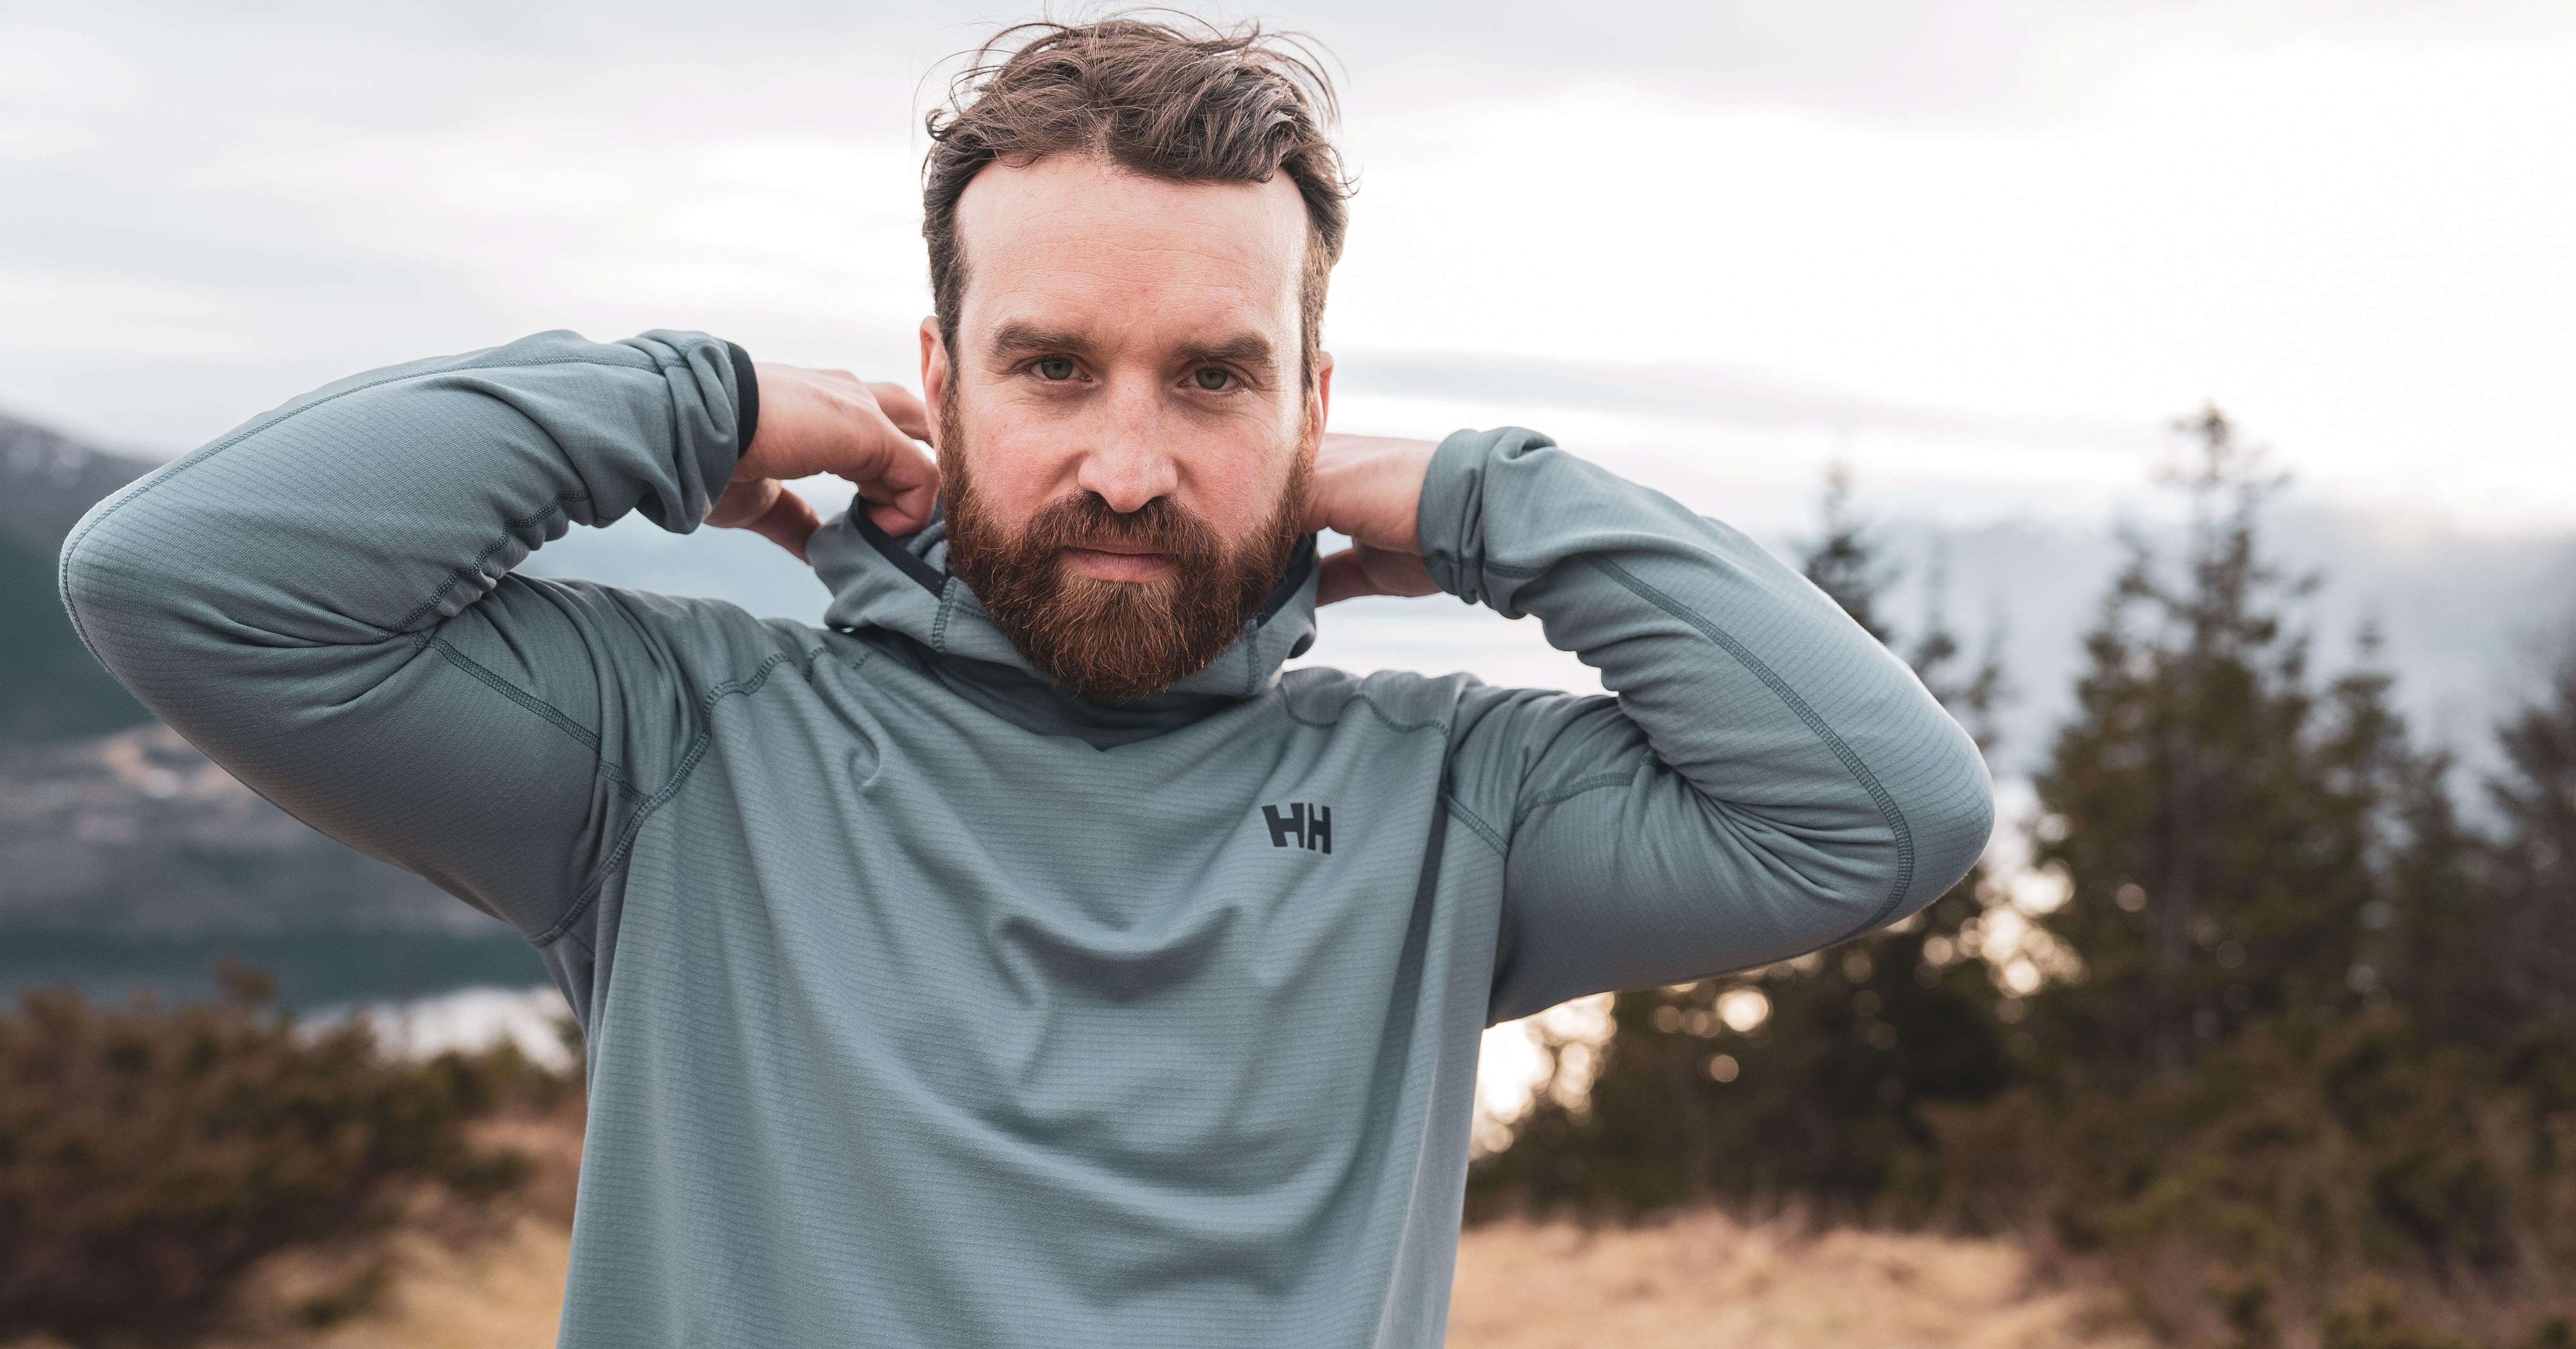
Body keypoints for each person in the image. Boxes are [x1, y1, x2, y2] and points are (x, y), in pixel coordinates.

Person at [59, 18, 1992, 1348]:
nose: (1128, 467)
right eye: (1054, 365)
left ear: (1313, 407)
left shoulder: (1448, 806)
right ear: (942, 375)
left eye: (1215, 377)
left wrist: (1499, 502)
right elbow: (181, 579)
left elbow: (1884, 814)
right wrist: (685, 400)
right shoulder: (673, 750)